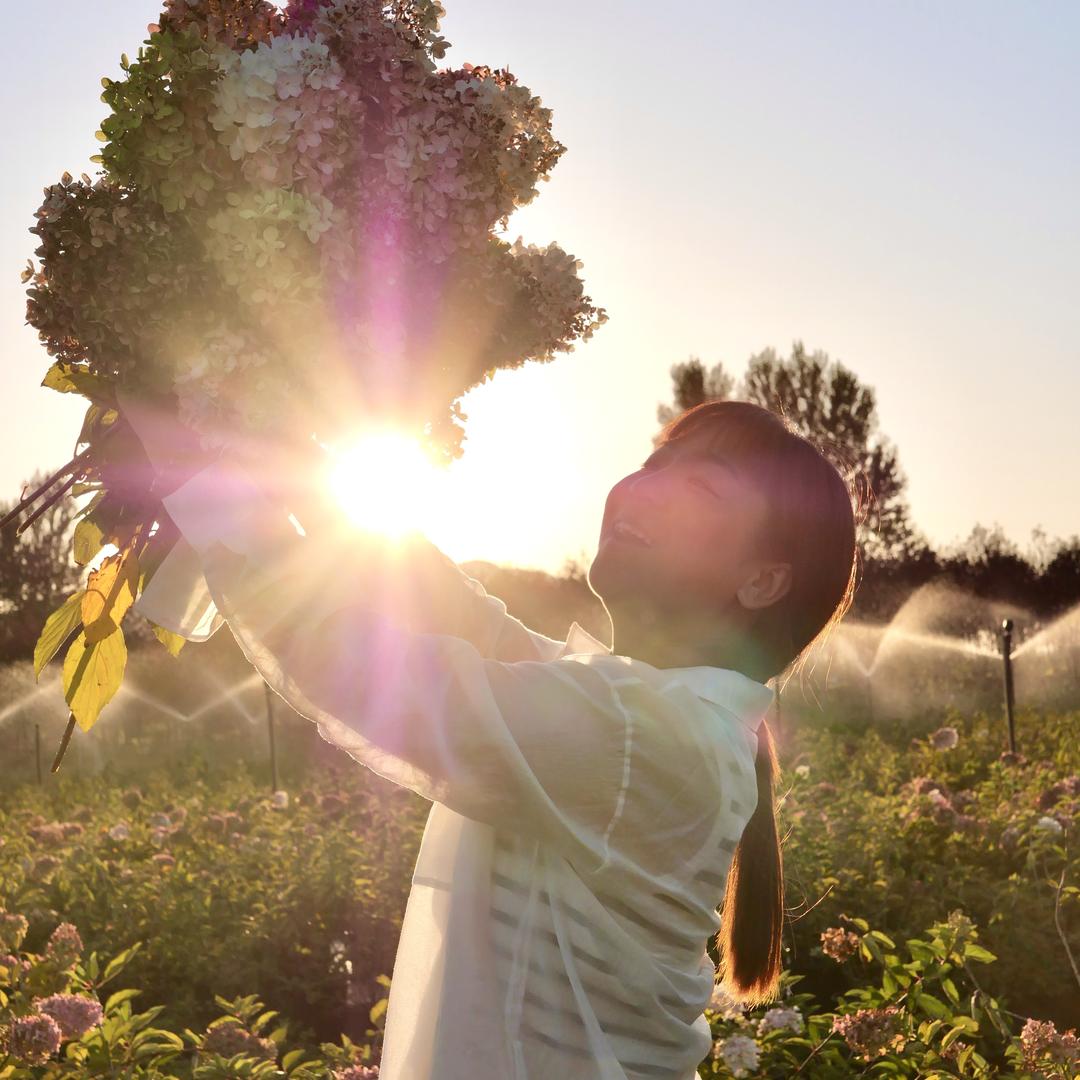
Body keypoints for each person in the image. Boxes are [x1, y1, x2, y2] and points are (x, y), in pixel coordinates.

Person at [132, 398, 860, 1080]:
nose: (640, 489)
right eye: (652, 464)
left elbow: (361, 670)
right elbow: (463, 617)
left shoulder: (647, 734)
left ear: (762, 581)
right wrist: (291, 454)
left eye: (701, 487)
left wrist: (194, 464)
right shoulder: (644, 713)